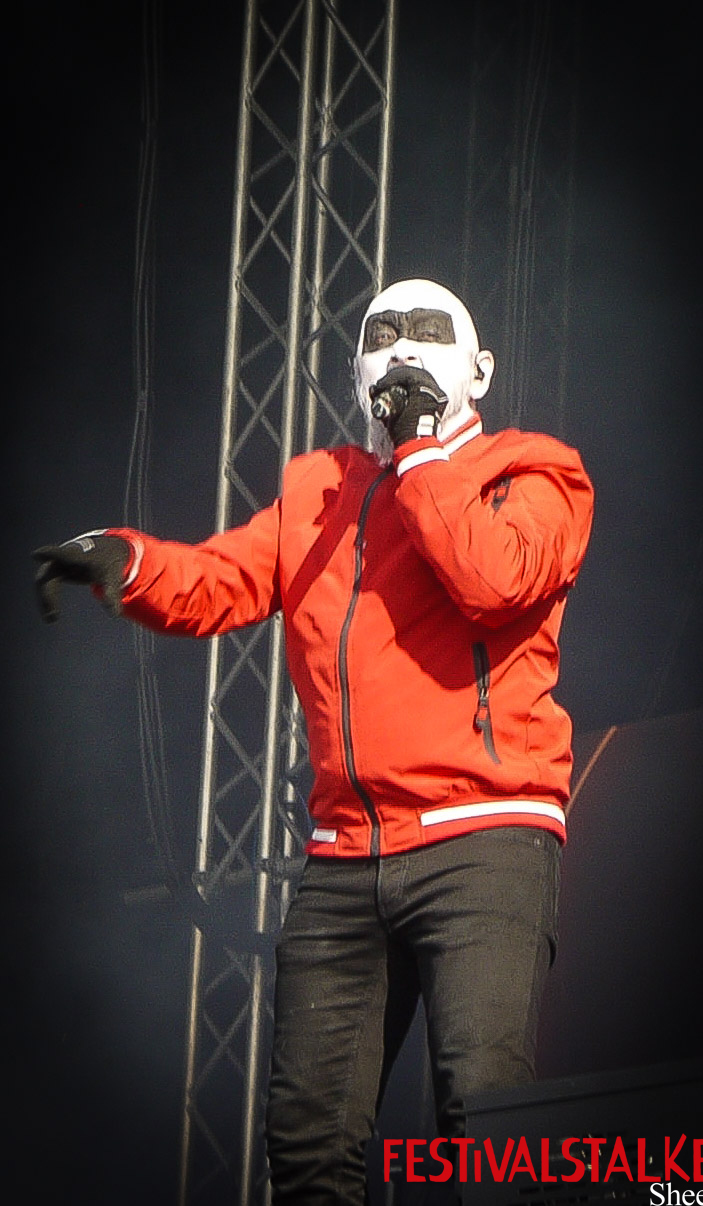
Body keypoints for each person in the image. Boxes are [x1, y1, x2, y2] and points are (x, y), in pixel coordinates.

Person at [34, 278, 594, 1204]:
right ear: (354, 375)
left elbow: (493, 579)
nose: (403, 350)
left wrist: (420, 452)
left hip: (484, 838)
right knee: (306, 1147)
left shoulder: (533, 472)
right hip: (343, 859)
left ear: (479, 371)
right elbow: (219, 580)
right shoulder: (318, 488)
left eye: (428, 332)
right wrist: (126, 561)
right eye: (382, 335)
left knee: (485, 1118)